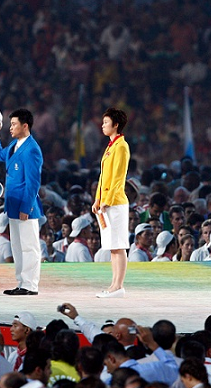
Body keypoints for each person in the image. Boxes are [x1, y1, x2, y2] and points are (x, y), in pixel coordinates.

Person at [0, 109, 44, 296]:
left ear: (25, 125)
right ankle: (22, 282)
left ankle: (31, 285)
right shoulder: (15, 145)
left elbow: (33, 183)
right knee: (18, 247)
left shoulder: (32, 149)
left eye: (13, 124)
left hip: (24, 206)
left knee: (29, 246)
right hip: (12, 205)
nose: (10, 127)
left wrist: (26, 208)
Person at [91, 108, 131, 298]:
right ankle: (114, 284)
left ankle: (119, 286)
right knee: (112, 246)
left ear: (115, 125)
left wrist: (107, 200)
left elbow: (118, 177)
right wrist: (98, 199)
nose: (103, 125)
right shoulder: (110, 146)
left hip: (115, 202)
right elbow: (103, 176)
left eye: (106, 122)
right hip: (106, 202)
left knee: (118, 245)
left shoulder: (121, 146)